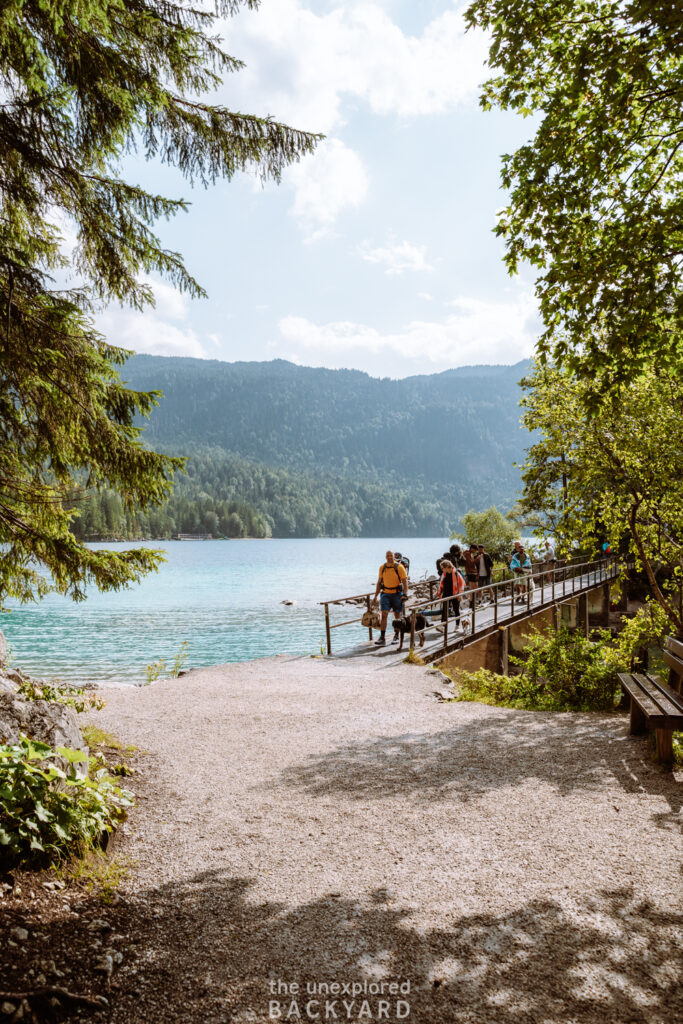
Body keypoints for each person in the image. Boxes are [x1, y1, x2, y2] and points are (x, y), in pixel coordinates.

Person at [371, 550, 408, 646]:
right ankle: (382, 637)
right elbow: (379, 582)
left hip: (397, 594)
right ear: (385, 557)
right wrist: (375, 596)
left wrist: (405, 594)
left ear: (394, 556)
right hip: (385, 594)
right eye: (387, 556)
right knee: (384, 615)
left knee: (397, 616)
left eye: (391, 555)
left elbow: (405, 582)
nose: (389, 557)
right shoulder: (382, 568)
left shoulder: (399, 567)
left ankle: (396, 636)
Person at [437, 559, 465, 627]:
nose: (442, 569)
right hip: (446, 594)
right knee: (444, 610)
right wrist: (439, 592)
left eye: (442, 568)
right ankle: (443, 626)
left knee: (456, 610)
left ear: (447, 567)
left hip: (455, 594)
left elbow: (462, 584)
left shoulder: (456, 574)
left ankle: (457, 625)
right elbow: (442, 584)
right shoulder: (444, 574)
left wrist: (459, 595)